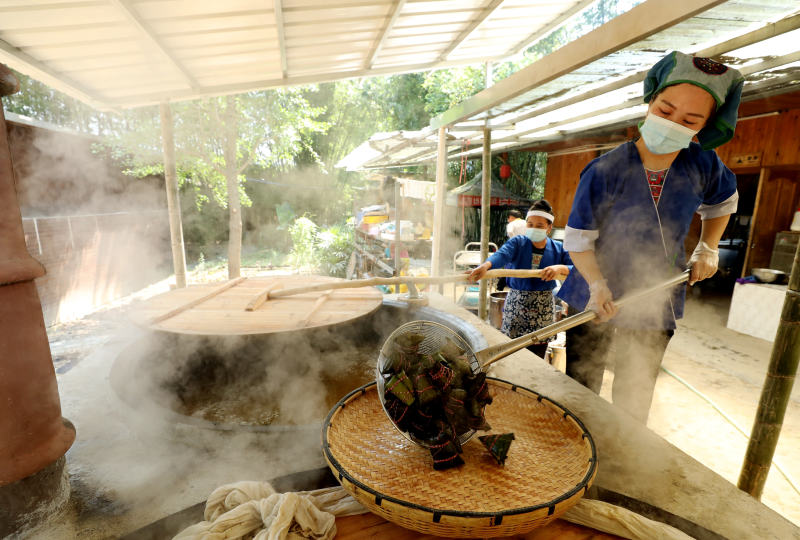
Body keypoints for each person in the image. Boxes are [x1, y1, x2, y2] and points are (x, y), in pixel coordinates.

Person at [556, 51, 743, 423]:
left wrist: (708, 246)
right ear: (650, 100)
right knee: (582, 389)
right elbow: (578, 240)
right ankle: (578, 457)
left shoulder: (702, 162)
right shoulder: (605, 169)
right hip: (594, 298)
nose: (674, 124)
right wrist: (596, 285)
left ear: (704, 126)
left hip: (656, 299)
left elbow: (724, 202)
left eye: (690, 120)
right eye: (665, 110)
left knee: (635, 394)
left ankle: (624, 467)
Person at [469, 200, 572, 358]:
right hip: (517, 304)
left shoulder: (559, 248)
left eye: (539, 226)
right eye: (530, 224)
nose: (533, 229)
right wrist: (486, 266)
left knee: (537, 356)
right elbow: (501, 255)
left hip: (543, 308)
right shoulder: (518, 243)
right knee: (512, 354)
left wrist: (561, 268)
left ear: (549, 228)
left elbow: (576, 268)